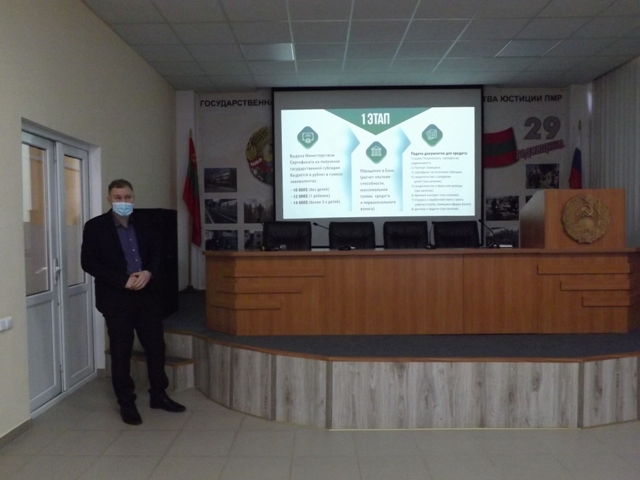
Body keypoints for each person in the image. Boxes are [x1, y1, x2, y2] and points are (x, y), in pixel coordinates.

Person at [81, 179, 185, 425]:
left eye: (127, 197)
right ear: (109, 199)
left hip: (146, 295)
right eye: (118, 198)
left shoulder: (146, 223)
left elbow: (157, 254)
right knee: (121, 352)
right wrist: (122, 281)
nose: (123, 202)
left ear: (133, 198)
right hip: (116, 298)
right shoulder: (95, 227)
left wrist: (148, 272)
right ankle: (126, 403)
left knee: (156, 347)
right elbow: (89, 263)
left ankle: (158, 395)